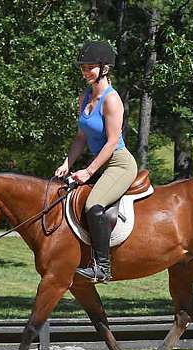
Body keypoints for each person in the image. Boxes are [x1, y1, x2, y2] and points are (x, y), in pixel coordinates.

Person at [55, 41, 138, 283]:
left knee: (93, 204)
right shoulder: (85, 97)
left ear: (105, 68)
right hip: (101, 162)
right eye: (83, 67)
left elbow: (112, 142)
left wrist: (88, 171)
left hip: (119, 164)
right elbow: (81, 136)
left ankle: (102, 267)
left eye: (90, 67)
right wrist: (67, 164)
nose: (85, 71)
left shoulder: (112, 101)